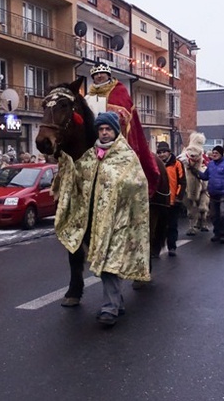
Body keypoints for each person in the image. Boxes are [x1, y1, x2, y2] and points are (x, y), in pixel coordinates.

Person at [52, 112, 150, 327]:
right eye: (101, 129)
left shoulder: (126, 156)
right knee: (104, 262)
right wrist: (64, 161)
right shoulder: (89, 156)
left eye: (108, 129)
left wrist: (120, 193)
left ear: (116, 131)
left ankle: (109, 309)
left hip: (118, 220)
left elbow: (138, 184)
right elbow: (77, 176)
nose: (104, 133)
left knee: (109, 264)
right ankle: (117, 303)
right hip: (94, 220)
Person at [84, 62, 161, 198]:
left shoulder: (119, 91)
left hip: (114, 139)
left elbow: (125, 117)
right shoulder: (87, 97)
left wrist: (113, 119)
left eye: (102, 73)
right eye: (96, 74)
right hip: (91, 141)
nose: (99, 76)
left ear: (108, 75)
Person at [194, 145, 224, 243]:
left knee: (223, 215)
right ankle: (216, 233)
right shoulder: (211, 164)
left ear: (221, 154)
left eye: (216, 153)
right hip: (213, 194)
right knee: (214, 215)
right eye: (213, 153)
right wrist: (196, 172)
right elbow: (205, 176)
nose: (214, 155)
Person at [156, 141, 186, 256]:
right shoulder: (156, 164)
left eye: (164, 152)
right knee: (159, 226)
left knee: (172, 225)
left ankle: (172, 246)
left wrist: (179, 197)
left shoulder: (177, 164)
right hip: (160, 201)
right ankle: (157, 248)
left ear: (169, 152)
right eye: (159, 152)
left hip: (173, 200)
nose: (162, 154)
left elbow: (182, 181)